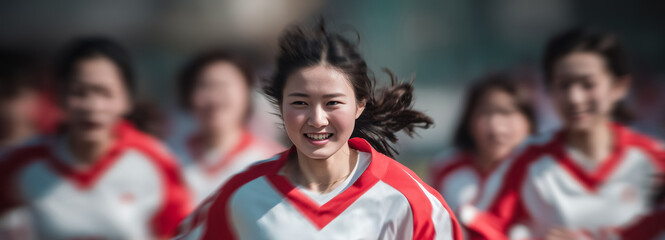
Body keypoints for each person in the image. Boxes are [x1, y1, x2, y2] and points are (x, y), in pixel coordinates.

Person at [175, 21, 463, 240]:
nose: (317, 119)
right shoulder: (242, 195)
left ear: (360, 105)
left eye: (332, 103)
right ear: (279, 105)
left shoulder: (409, 200)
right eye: (300, 102)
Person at [460, 28, 665, 240]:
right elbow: (481, 227)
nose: (575, 97)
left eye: (588, 84)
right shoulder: (526, 160)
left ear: (619, 87)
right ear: (548, 89)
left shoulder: (655, 159)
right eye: (564, 85)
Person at [0, 37, 192, 239]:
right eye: (80, 93)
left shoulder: (156, 161)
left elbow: (182, 232)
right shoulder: (24, 161)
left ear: (127, 100)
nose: (92, 106)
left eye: (105, 93)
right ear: (60, 96)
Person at [429, 72, 535, 239]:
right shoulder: (446, 167)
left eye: (507, 113)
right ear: (468, 120)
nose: (496, 127)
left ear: (529, 121)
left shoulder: (542, 171)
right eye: (485, 113)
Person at [173, 49, 284, 205]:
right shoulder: (168, 158)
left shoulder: (274, 162)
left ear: (248, 93)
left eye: (224, 85)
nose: (214, 98)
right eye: (205, 86)